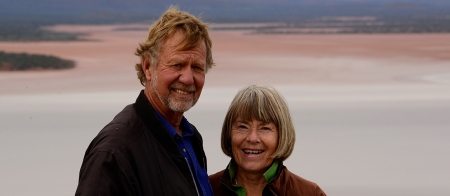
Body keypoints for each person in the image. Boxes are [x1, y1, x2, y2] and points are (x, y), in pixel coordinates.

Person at [75, 6, 214, 196]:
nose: (188, 78)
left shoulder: (189, 137)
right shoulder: (115, 153)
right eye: (177, 65)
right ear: (148, 67)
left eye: (197, 67)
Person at [209, 85, 326, 196]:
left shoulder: (309, 193)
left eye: (265, 128)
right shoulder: (205, 189)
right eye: (243, 127)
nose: (252, 138)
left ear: (282, 136)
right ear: (229, 133)